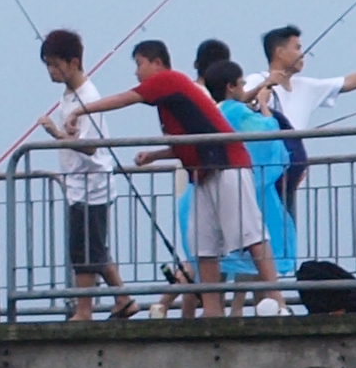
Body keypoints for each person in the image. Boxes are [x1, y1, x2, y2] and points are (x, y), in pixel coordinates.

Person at [75, 41, 262, 313]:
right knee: (204, 247)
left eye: (139, 64)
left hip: (226, 165)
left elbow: (125, 98)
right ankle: (212, 311)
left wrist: (81, 109)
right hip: (202, 174)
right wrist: (154, 155)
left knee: (251, 236)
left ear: (157, 63)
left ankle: (277, 301)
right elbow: (186, 142)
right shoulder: (167, 100)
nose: (137, 72)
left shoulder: (167, 80)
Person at [35, 30, 131, 322]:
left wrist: (56, 134)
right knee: (94, 247)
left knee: (85, 253)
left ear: (74, 62)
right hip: (80, 183)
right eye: (48, 65)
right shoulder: (70, 96)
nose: (51, 71)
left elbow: (90, 146)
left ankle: (85, 311)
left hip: (91, 183)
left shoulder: (88, 97)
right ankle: (123, 300)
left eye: (55, 64)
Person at [200, 48, 298, 289]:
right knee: (257, 241)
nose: (244, 88)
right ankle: (277, 299)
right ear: (231, 86)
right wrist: (264, 105)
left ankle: (198, 310)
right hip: (238, 187)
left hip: (208, 189)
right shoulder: (237, 111)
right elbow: (267, 132)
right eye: (241, 84)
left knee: (207, 255)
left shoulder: (212, 111)